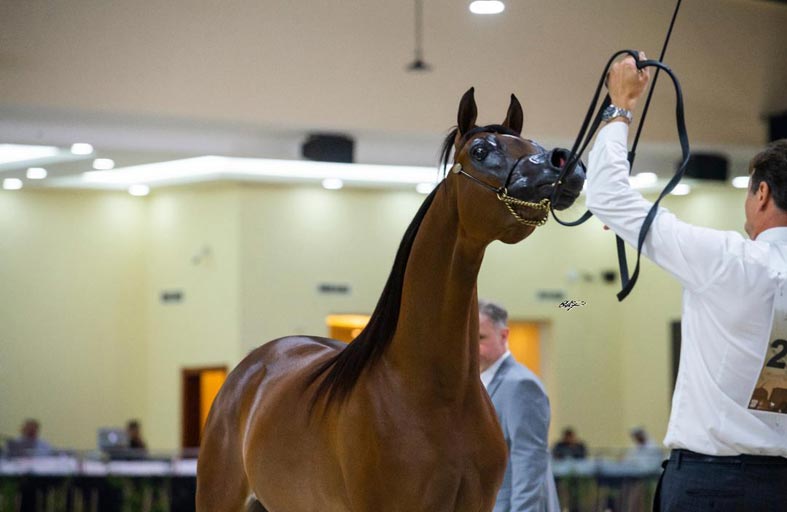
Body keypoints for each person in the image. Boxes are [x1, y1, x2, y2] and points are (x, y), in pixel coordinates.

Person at [586, 51, 787, 510]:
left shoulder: (731, 259)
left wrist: (620, 105)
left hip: (710, 485)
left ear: (761, 193)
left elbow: (606, 195)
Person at [478, 299, 560, 512]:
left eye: (480, 338)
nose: (471, 346)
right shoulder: (476, 382)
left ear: (503, 336)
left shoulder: (520, 384)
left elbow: (529, 461)